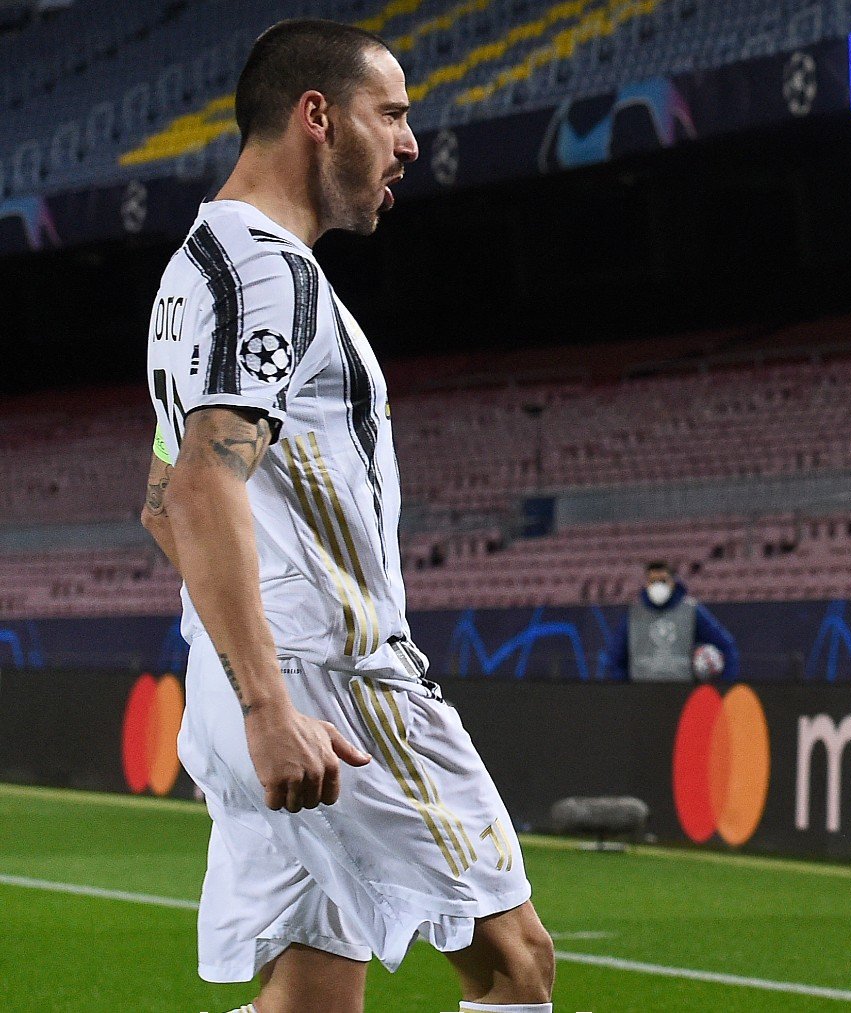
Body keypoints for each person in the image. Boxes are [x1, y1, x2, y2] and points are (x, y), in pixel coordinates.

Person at [139, 20, 554, 1013]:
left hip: (264, 682)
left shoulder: (198, 274)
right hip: (335, 692)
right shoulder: (267, 276)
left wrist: (250, 688)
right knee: (518, 966)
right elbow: (198, 489)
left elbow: (160, 500)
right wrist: (272, 705)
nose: (410, 141)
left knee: (314, 997)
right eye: (394, 113)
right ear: (316, 117)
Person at [605, 561, 739, 682]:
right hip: (641, 694)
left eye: (663, 580)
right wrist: (622, 691)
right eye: (653, 581)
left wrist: (725, 687)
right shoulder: (633, 614)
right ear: (646, 583)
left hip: (681, 693)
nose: (658, 585)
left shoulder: (691, 611)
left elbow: (726, 646)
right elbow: (615, 657)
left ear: (672, 581)